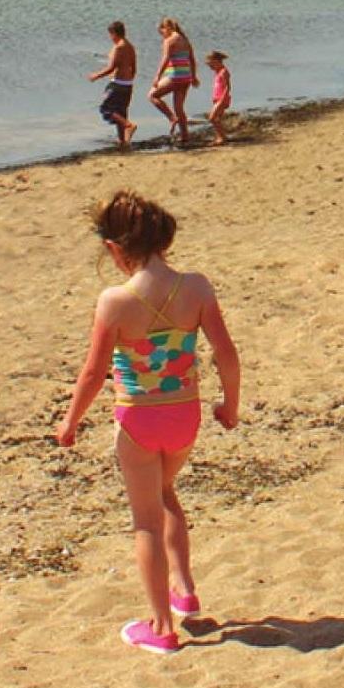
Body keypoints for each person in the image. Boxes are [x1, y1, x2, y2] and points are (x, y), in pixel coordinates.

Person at [54, 191, 242, 655]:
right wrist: (230, 405)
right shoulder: (196, 288)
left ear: (116, 250)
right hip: (185, 416)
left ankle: (161, 627)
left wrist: (70, 421)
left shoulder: (115, 301)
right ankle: (184, 589)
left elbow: (94, 373)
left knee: (145, 522)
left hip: (138, 420)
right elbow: (226, 354)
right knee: (164, 495)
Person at [148, 19, 199, 147]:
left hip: (175, 76)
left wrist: (157, 76)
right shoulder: (185, 40)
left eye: (162, 32)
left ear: (168, 28)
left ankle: (172, 118)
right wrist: (193, 76)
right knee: (179, 108)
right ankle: (185, 136)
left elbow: (165, 59)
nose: (162, 35)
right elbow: (192, 59)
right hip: (186, 77)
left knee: (152, 95)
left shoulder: (169, 41)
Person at [88, 21, 138, 148]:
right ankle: (123, 141)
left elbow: (111, 68)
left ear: (114, 33)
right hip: (128, 84)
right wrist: (129, 79)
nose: (110, 38)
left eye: (111, 35)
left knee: (106, 109)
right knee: (121, 112)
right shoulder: (130, 46)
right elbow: (134, 67)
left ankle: (129, 125)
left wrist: (96, 75)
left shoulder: (118, 47)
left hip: (117, 84)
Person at [204, 51, 232, 145]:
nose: (210, 67)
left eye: (211, 65)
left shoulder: (224, 72)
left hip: (222, 99)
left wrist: (222, 99)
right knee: (217, 119)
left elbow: (228, 87)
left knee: (212, 118)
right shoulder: (218, 72)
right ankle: (221, 137)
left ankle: (222, 137)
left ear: (216, 61)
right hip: (217, 98)